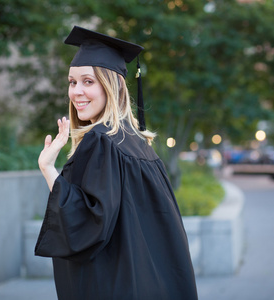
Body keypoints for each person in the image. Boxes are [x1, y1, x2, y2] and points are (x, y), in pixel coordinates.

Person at [35, 26, 198, 300]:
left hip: (114, 284)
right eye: (72, 82)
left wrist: (48, 169)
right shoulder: (136, 141)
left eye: (88, 81)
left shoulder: (101, 141)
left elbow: (89, 224)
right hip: (154, 282)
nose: (76, 92)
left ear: (113, 86)